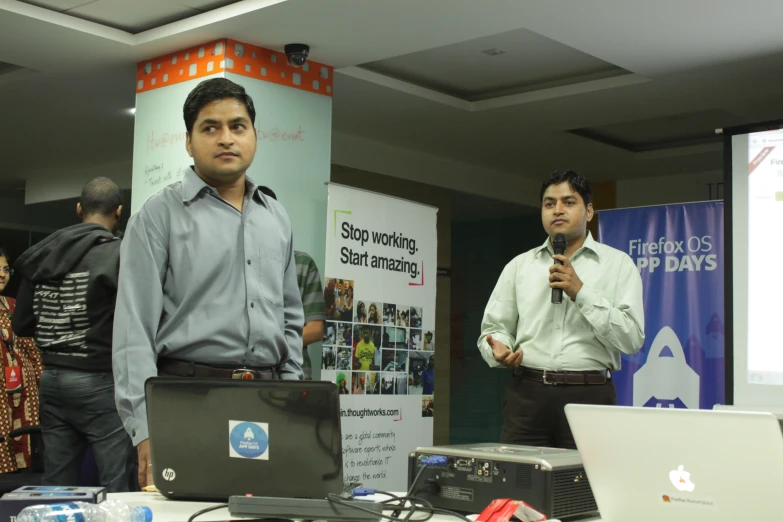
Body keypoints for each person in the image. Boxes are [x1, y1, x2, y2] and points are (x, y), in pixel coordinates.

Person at [112, 78, 304, 488]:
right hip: (186, 401)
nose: (226, 138)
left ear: (254, 135)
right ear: (188, 141)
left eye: (238, 126)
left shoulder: (276, 217)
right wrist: (144, 429)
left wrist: (293, 402)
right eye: (210, 127)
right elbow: (133, 332)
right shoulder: (157, 216)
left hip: (267, 402)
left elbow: (291, 319)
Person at [477, 170, 644, 450]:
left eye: (568, 202)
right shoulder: (520, 266)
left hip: (590, 397)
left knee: (586, 489)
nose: (558, 210)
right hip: (527, 396)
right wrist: (498, 349)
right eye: (549, 203)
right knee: (519, 486)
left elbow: (631, 339)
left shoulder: (618, 265)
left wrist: (580, 291)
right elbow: (493, 330)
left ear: (589, 211)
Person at [12, 178, 135, 491]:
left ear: (79, 209)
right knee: (116, 485)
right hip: (98, 380)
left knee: (56, 485)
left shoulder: (41, 255)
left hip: (51, 379)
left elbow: (21, 324)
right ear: (118, 212)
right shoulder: (117, 255)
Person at [257, 186, 325, 381]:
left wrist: (271, 346)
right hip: (250, 377)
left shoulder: (302, 264)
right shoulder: (239, 264)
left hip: (294, 376)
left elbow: (316, 328)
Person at [0, 249, 43, 476]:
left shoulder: (14, 306)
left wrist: (41, 380)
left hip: (23, 393)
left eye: (6, 269)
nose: (2, 275)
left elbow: (33, 349)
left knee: (24, 461)